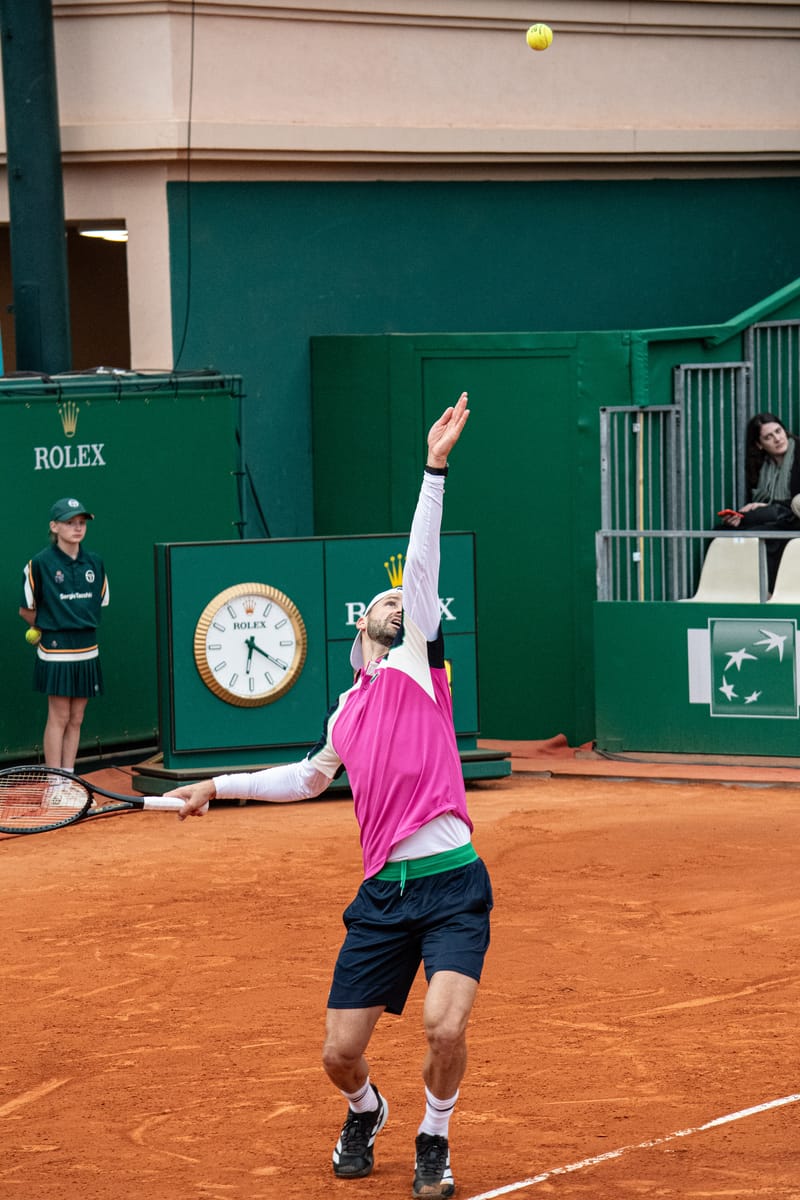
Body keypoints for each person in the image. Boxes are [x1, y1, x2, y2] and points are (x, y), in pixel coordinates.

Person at [171, 392, 492, 1199]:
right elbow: (307, 779)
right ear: (362, 633)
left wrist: (435, 467)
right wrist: (217, 784)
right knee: (337, 1054)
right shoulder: (348, 710)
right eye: (383, 605)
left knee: (444, 1025)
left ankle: (434, 1137)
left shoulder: (422, 670)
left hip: (454, 884)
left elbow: (421, 565)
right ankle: (368, 1108)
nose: (397, 606)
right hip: (384, 895)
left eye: (403, 605)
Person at [19, 497, 109, 771]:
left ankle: (69, 777)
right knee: (59, 716)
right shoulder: (39, 564)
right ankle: (55, 781)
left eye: (81, 523)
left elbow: (100, 602)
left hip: (87, 648)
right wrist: (53, 623)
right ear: (54, 527)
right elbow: (26, 610)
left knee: (77, 717)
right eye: (70, 523)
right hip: (56, 650)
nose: (77, 528)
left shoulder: (95, 562)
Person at [719, 412, 800, 592]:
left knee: (765, 536)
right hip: (775, 517)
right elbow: (762, 502)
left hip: (794, 518)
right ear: (759, 444)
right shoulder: (761, 466)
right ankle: (731, 590)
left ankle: (769, 593)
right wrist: (741, 515)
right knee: (723, 531)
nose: (777, 439)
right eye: (768, 437)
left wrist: (769, 506)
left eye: (779, 431)